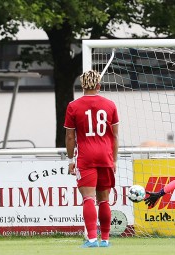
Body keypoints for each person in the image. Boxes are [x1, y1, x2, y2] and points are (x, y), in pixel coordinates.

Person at [64, 70, 119, 248]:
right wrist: (115, 160)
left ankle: (92, 239)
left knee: (88, 198)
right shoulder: (110, 105)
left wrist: (70, 159)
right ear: (98, 85)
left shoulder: (73, 106)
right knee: (104, 199)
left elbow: (70, 137)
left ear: (82, 85)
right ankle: (105, 239)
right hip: (106, 156)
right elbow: (115, 136)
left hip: (86, 156)